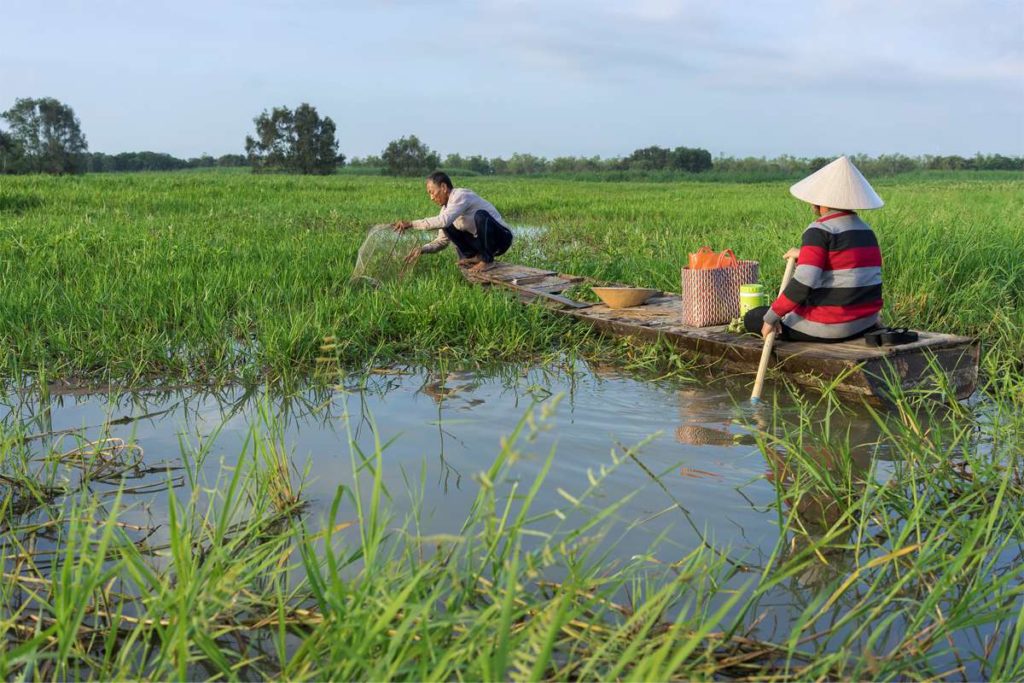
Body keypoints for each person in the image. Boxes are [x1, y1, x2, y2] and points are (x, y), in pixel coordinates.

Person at [744, 156, 884, 342]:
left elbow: (803, 283)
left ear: (821, 202)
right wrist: (804, 254)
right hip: (864, 323)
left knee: (753, 317)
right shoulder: (866, 231)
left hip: (830, 328)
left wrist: (771, 318)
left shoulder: (820, 230)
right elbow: (844, 262)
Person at [392, 171, 513, 272]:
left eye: (432, 192)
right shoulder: (445, 210)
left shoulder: (461, 195)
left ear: (444, 187)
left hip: (501, 239)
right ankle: (475, 257)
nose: (432, 197)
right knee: (448, 226)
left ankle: (487, 261)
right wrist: (422, 249)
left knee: (480, 216)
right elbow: (441, 242)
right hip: (482, 244)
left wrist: (412, 224)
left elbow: (443, 221)